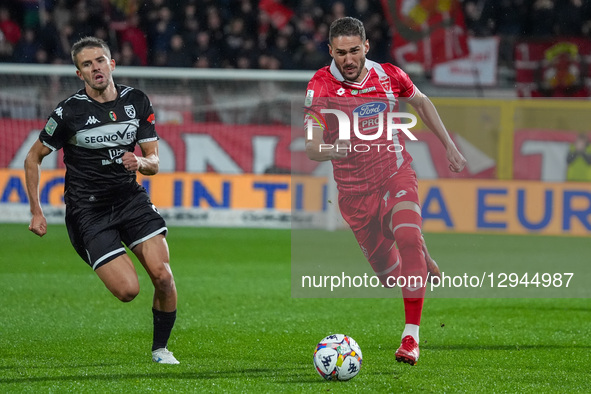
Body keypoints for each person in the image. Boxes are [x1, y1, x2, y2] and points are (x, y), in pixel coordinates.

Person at [305, 17, 466, 366]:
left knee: (408, 235)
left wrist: (449, 146)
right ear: (330, 51)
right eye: (340, 53)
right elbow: (312, 146)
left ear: (366, 47)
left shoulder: (390, 75)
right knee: (392, 277)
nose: (348, 59)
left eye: (354, 51)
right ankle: (419, 259)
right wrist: (335, 149)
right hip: (353, 197)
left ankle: (411, 337)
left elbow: (422, 103)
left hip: (395, 175)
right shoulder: (320, 85)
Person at [24, 36, 179, 364]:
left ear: (112, 64)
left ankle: (161, 349)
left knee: (163, 276)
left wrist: (140, 163)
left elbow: (154, 162)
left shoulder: (136, 101)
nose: (95, 68)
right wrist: (36, 211)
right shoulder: (69, 112)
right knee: (128, 291)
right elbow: (32, 158)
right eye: (87, 64)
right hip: (88, 209)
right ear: (79, 74)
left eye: (100, 61)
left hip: (130, 199)